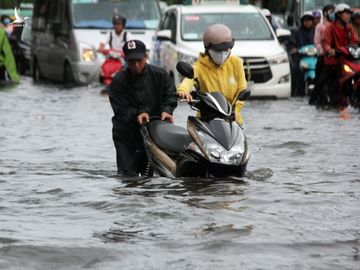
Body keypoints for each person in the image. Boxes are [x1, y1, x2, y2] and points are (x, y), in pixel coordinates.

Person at [108, 39, 177, 176]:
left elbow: (170, 95)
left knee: (155, 174)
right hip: (126, 135)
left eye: (139, 60)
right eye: (132, 62)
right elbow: (120, 108)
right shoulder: (119, 81)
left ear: (146, 57)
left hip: (154, 131)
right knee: (127, 176)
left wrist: (167, 110)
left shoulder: (160, 75)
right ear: (126, 61)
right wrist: (137, 115)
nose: (136, 65)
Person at [177, 24, 247, 124]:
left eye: (226, 50)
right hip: (207, 121)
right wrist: (183, 90)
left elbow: (242, 89)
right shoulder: (199, 67)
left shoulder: (236, 63)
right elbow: (189, 80)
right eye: (218, 50)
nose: (222, 54)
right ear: (207, 48)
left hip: (233, 121)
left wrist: (235, 111)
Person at [313, 3, 359, 112]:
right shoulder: (329, 28)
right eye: (346, 13)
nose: (348, 16)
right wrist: (330, 50)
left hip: (348, 59)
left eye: (349, 14)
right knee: (321, 81)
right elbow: (325, 43)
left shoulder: (349, 28)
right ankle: (313, 100)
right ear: (338, 15)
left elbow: (356, 41)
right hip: (333, 60)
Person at [309, 4, 335, 105]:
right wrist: (324, 51)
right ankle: (313, 99)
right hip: (324, 56)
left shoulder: (339, 25)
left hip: (339, 56)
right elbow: (317, 42)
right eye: (331, 11)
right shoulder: (320, 27)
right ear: (325, 13)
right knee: (320, 80)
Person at [287, 12, 315, 96]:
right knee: (295, 71)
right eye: (306, 20)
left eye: (309, 20)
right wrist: (294, 49)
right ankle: (295, 91)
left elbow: (320, 42)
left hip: (313, 57)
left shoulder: (315, 32)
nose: (308, 22)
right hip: (300, 58)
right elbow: (291, 43)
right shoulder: (296, 32)